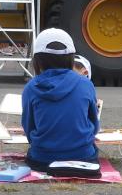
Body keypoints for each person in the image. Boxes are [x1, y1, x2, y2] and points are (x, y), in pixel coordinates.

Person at [21, 28, 101, 173]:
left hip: (43, 159)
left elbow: (29, 127)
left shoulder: (31, 88)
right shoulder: (85, 84)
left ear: (37, 61)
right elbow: (94, 124)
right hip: (83, 158)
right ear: (71, 59)